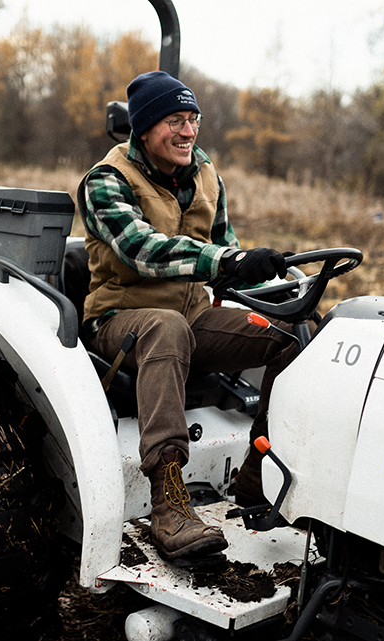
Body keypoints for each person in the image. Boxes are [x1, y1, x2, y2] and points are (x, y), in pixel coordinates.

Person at [78, 70, 300, 562]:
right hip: (122, 323)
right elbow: (142, 249)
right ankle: (168, 504)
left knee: (290, 336)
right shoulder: (105, 181)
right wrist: (223, 262)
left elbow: (229, 256)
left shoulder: (205, 175)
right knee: (166, 325)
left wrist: (282, 287)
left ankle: (256, 474)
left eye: (193, 119)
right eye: (174, 120)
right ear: (144, 128)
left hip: (191, 317)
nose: (187, 131)